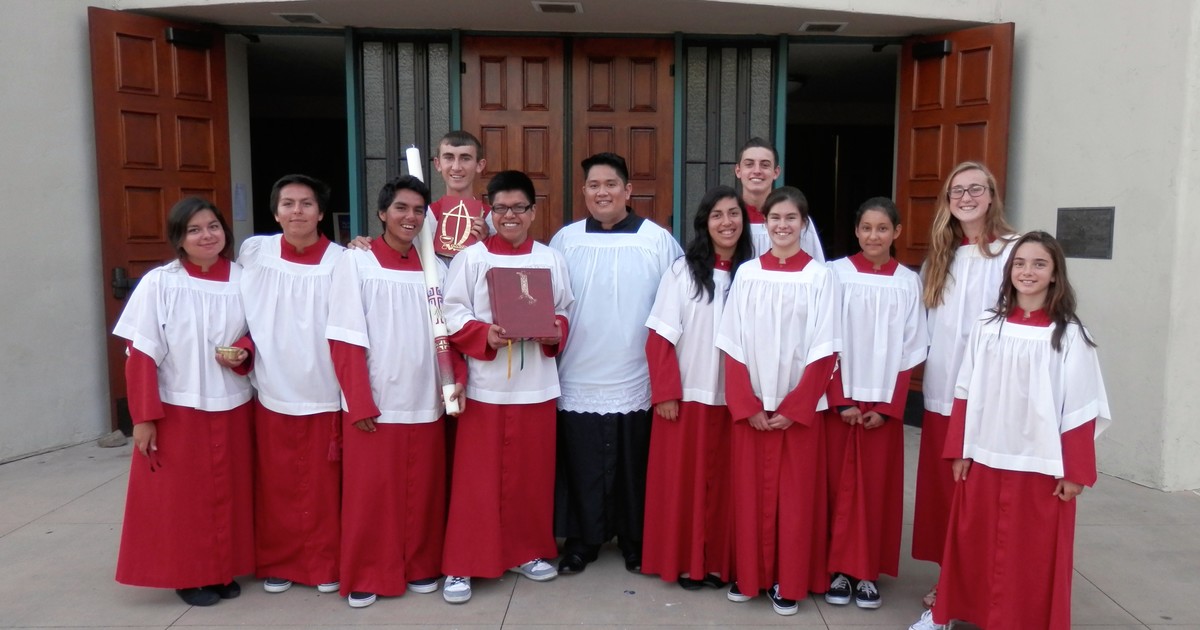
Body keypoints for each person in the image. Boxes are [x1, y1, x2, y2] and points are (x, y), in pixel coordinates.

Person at [909, 231, 1110, 630]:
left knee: (1032, 552)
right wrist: (959, 449)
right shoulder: (988, 325)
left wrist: (1074, 472)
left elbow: (1081, 407)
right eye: (1020, 263)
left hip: (1041, 463)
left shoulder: (1070, 335)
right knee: (971, 542)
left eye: (1039, 264)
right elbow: (965, 389)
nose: (1027, 272)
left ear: (1055, 274)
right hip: (984, 454)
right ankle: (948, 611)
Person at [325, 175, 466, 608]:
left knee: (424, 490)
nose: (410, 217)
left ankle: (421, 564)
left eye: (419, 210)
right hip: (377, 398)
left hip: (426, 396)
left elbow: (452, 332)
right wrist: (359, 399)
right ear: (382, 213)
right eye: (401, 208)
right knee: (372, 496)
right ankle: (369, 572)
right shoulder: (357, 263)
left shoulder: (436, 269)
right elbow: (345, 336)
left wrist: (454, 382)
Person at [439, 170, 574, 604]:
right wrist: (484, 334)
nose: (509, 215)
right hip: (487, 386)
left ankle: (524, 551)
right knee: (476, 481)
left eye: (519, 208)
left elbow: (565, 309)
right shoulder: (472, 258)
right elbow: (452, 312)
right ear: (489, 212)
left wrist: (555, 329)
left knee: (529, 478)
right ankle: (462, 564)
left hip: (536, 386)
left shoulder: (550, 259)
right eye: (501, 208)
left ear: (533, 212)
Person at [113, 197, 254, 606]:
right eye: (194, 230)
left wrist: (244, 351)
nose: (206, 236)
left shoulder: (244, 280)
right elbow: (142, 352)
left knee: (228, 492)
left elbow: (261, 332)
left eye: (213, 226)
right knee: (183, 500)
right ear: (178, 238)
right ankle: (190, 576)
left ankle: (223, 569)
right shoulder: (161, 283)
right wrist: (144, 417)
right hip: (177, 406)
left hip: (233, 403)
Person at [550, 152, 684, 575]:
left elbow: (677, 303)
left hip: (635, 373)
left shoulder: (657, 240)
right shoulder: (566, 240)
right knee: (582, 463)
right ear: (584, 192)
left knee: (633, 464)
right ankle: (582, 540)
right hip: (579, 371)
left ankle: (635, 539)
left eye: (611, 184)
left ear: (628, 190)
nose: (602, 192)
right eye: (594, 185)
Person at [715, 186, 839, 616]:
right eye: (775, 219)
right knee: (749, 495)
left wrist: (795, 407)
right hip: (753, 406)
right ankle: (750, 576)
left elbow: (826, 347)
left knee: (796, 500)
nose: (782, 226)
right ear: (764, 224)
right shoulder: (748, 274)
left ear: (804, 224)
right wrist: (746, 404)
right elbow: (731, 341)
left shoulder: (820, 277)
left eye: (791, 218)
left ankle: (790, 579)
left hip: (797, 410)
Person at [911, 162, 1018, 608]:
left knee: (981, 494)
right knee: (945, 493)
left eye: (976, 189)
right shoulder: (940, 258)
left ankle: (985, 583)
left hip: (990, 396)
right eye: (957, 191)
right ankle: (949, 579)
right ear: (947, 201)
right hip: (943, 392)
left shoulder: (1013, 252)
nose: (967, 197)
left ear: (992, 196)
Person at [641, 185, 754, 590]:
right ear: (705, 223)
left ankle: (722, 563)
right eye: (717, 215)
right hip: (689, 396)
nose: (727, 222)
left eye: (734, 214)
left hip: (738, 401)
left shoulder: (754, 273)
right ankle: (687, 564)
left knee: (727, 488)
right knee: (684, 487)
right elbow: (659, 337)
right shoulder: (683, 272)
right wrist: (666, 392)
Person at [239, 174, 345, 595]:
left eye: (306, 204)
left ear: (321, 213)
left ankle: (325, 563)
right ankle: (279, 562)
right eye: (288, 203)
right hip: (273, 386)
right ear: (276, 212)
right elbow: (241, 313)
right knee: (277, 482)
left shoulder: (342, 261)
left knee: (325, 487)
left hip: (325, 386)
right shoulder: (256, 253)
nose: (297, 211)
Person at [823, 197, 927, 610]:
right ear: (856, 230)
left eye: (882, 228)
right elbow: (824, 338)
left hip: (883, 405)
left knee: (876, 490)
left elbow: (912, 347)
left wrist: (889, 408)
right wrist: (839, 399)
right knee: (837, 487)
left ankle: (867, 572)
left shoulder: (908, 282)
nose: (873, 236)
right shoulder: (835, 274)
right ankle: (837, 569)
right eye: (866, 227)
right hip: (841, 401)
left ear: (897, 232)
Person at [734, 137, 824, 261]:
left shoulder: (796, 220)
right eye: (749, 164)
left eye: (765, 165)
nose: (757, 171)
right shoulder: (729, 221)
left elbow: (814, 267)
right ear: (738, 171)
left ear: (776, 172)